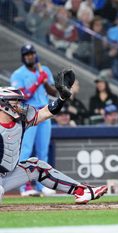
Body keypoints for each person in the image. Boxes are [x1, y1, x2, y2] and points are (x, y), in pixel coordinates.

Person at [0, 69, 107, 204]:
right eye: (15, 102)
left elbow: (45, 113)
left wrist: (62, 98)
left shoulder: (21, 119)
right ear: (3, 105)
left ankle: (82, 191)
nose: (20, 106)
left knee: (36, 166)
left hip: (7, 175)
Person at [11, 44, 57, 196]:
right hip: (28, 114)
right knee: (26, 151)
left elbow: (53, 91)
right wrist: (38, 80)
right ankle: (25, 187)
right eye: (27, 54)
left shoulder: (44, 70)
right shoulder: (18, 74)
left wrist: (44, 81)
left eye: (32, 54)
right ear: (23, 57)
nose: (30, 56)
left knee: (43, 152)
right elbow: (22, 96)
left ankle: (41, 185)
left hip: (44, 112)